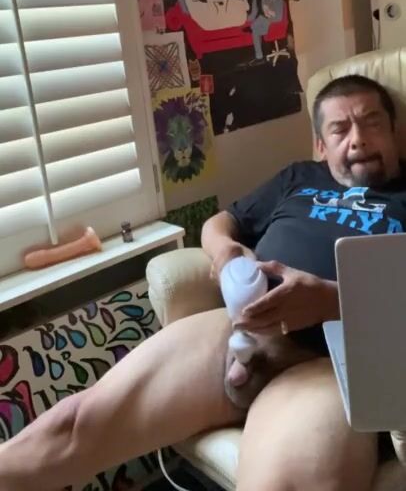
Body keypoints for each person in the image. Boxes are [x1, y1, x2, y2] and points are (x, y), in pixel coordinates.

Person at [1, 74, 405, 491]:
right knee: (69, 429)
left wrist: (332, 301)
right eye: (339, 129)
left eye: (371, 122)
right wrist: (226, 252)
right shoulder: (299, 177)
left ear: (394, 131)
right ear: (320, 146)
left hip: (333, 362)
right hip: (238, 329)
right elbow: (220, 223)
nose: (357, 139)